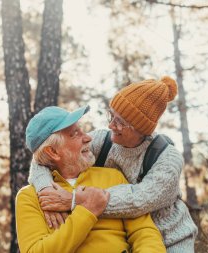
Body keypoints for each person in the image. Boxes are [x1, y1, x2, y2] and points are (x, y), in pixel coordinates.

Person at [29, 76, 198, 253]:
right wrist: (45, 189)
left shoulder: (167, 159)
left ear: (142, 129)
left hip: (170, 239)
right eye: (111, 115)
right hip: (124, 234)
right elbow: (44, 155)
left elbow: (138, 201)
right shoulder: (103, 140)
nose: (111, 125)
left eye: (120, 122)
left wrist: (74, 200)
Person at [16, 105, 166, 253]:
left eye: (82, 130)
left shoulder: (113, 176)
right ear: (53, 152)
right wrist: (87, 211)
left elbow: (144, 233)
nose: (88, 138)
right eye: (75, 134)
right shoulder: (29, 197)